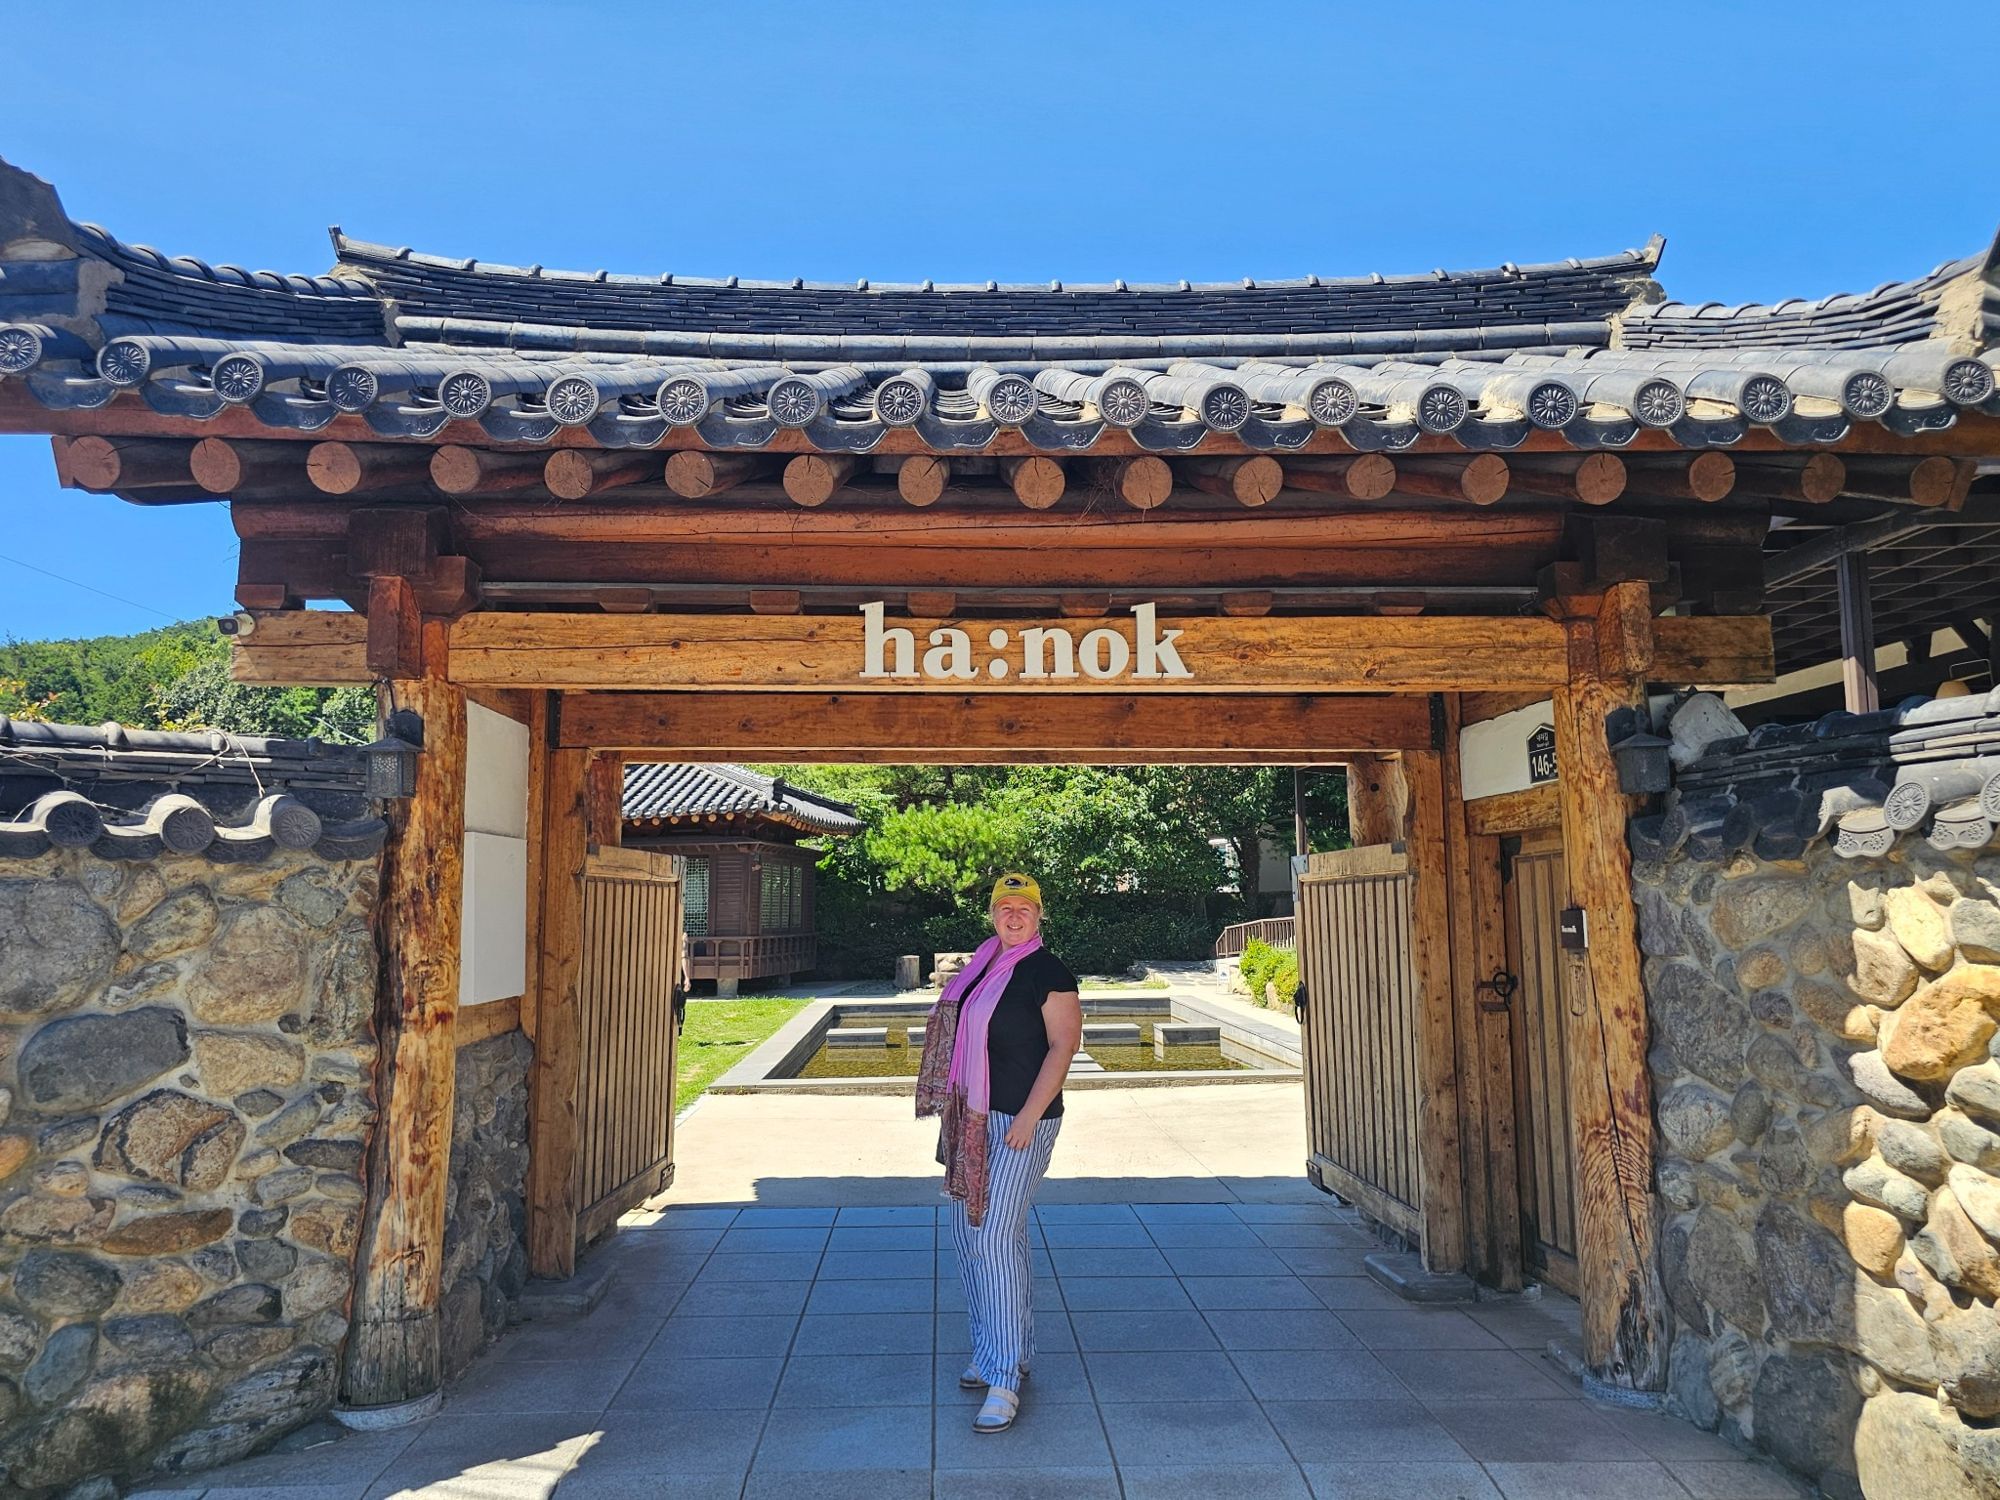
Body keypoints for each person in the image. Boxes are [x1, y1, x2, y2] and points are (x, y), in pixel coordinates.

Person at [914, 872, 1082, 1433]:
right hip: (972, 1121)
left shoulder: (1048, 972)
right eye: (1004, 907)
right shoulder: (980, 966)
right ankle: (996, 1351)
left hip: (1021, 1124)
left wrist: (1031, 1117)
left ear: (1039, 917)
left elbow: (1064, 1046)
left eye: (1024, 908)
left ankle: (1005, 1376)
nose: (1014, 916)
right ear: (992, 915)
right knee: (971, 1235)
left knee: (995, 1235)